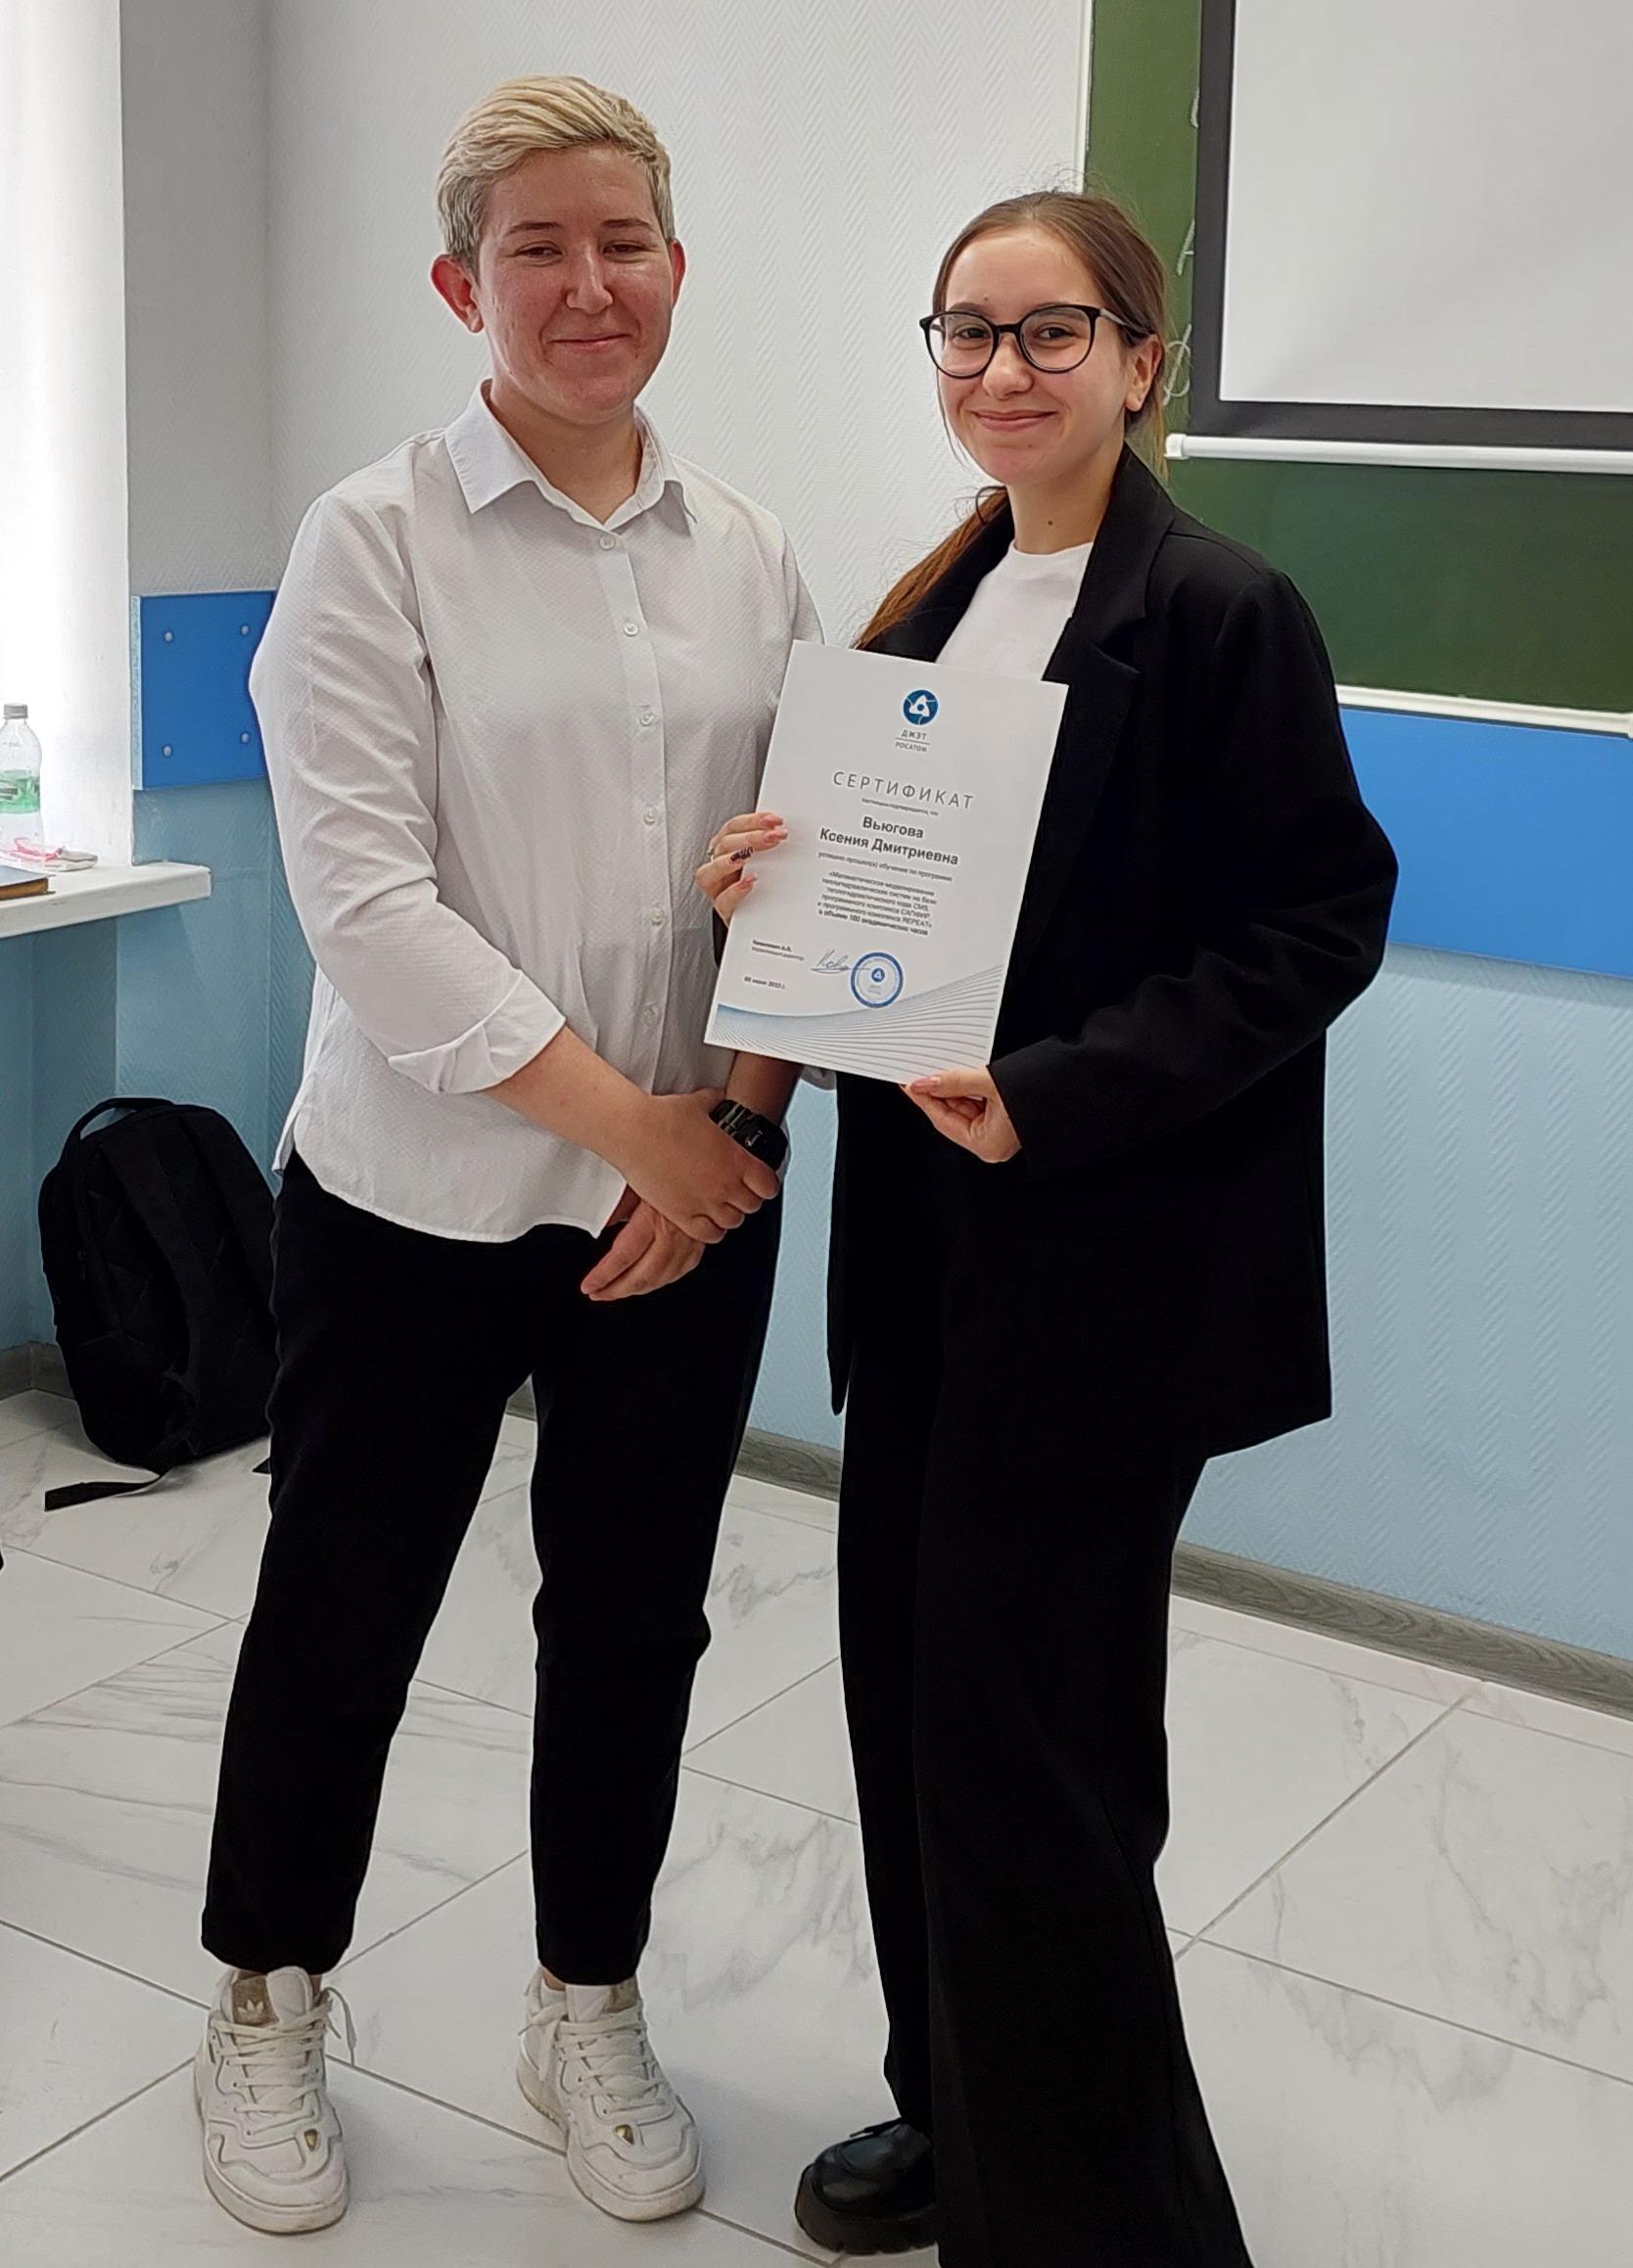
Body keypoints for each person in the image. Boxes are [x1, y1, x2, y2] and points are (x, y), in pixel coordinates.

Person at [698, 190, 1397, 2266]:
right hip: (922, 1266)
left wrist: (1058, 1091)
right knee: (912, 1710)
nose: (1004, 369)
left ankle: (1100, 2218)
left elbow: (1317, 921)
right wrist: (768, 896)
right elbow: (897, 918)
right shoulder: (928, 614)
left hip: (1105, 1277)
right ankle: (957, 2106)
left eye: (1052, 330)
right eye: (968, 332)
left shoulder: (1222, 611)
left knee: (1040, 1757)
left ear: (1141, 362)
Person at [195, 76, 811, 2237]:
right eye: (536, 247)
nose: (587, 283)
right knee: (341, 1605)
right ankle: (267, 1997)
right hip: (420, 1203)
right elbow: (369, 910)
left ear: (676, 268)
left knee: (636, 1619)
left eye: (621, 241)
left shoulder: (749, 553)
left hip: (698, 1194)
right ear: (464, 286)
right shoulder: (370, 543)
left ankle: (588, 1997)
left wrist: (732, 1131)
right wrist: (639, 1127)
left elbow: (812, 881)